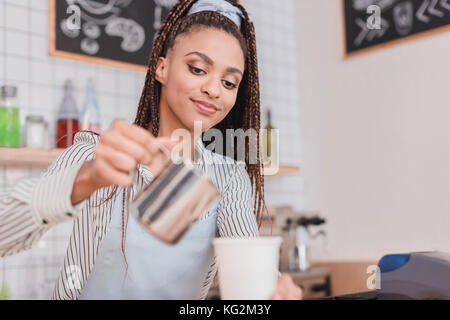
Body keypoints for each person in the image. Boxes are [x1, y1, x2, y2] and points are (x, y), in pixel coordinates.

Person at [0, 0, 302, 300]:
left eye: (229, 82)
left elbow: (247, 266)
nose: (214, 89)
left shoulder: (229, 177)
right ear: (162, 68)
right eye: (197, 69)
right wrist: (87, 179)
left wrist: (274, 289)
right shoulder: (93, 155)